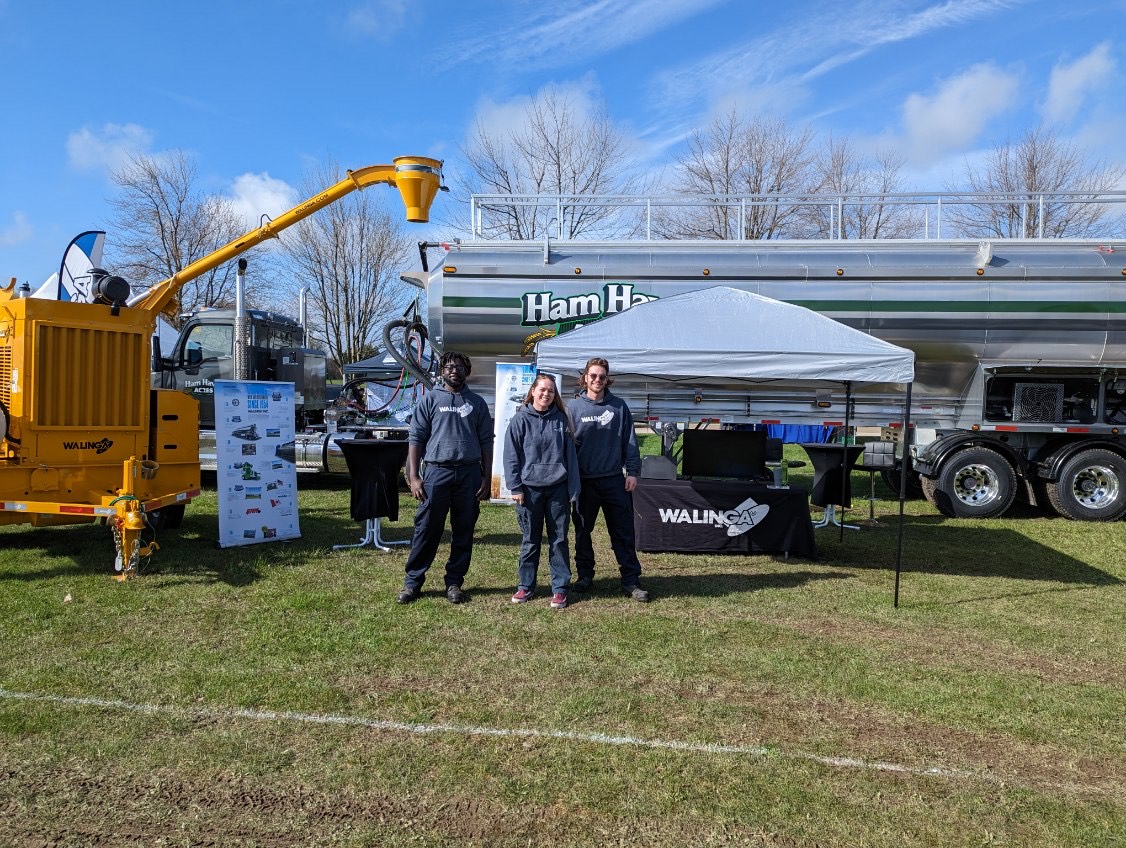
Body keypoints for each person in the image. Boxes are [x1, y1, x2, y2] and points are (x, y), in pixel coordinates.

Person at [397, 351, 493, 605]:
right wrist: (414, 475)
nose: (455, 371)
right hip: (436, 473)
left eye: (460, 367)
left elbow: (486, 442)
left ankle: (454, 583)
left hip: (469, 474)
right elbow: (416, 438)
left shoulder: (478, 403)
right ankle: (413, 582)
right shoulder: (430, 400)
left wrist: (486, 477)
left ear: (467, 371)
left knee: (464, 530)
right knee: (427, 529)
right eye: (450, 367)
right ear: (442, 371)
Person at [568, 357, 649, 602]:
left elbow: (630, 442)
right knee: (583, 530)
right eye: (593, 375)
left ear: (607, 379)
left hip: (615, 480)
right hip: (584, 483)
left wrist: (632, 472)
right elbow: (566, 447)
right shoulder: (572, 409)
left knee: (623, 532)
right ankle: (584, 576)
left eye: (602, 376)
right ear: (584, 378)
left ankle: (631, 580)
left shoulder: (619, 407)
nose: (597, 380)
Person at [502, 373, 580, 610]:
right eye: (542, 390)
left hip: (558, 491)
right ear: (533, 391)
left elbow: (571, 458)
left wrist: (573, 490)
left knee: (559, 540)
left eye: (551, 391)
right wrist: (515, 486)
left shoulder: (562, 420)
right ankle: (526, 585)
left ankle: (560, 589)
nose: (546, 394)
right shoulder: (520, 420)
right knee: (530, 540)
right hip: (529, 491)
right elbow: (511, 455)